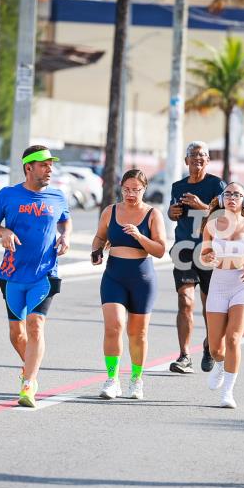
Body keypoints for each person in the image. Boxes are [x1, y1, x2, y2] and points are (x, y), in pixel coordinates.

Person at [0, 145, 71, 408]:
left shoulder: (58, 196)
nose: (49, 169)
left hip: (44, 273)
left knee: (35, 324)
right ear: (29, 167)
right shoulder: (8, 195)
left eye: (51, 165)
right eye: (44, 165)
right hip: (12, 273)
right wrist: (4, 232)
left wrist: (65, 236)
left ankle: (28, 384)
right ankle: (30, 369)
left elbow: (65, 220)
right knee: (16, 333)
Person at [91, 169, 167, 400]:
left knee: (138, 333)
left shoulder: (153, 214)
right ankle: (112, 379)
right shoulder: (110, 211)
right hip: (114, 275)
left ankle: (136, 379)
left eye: (136, 189)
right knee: (113, 326)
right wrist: (96, 250)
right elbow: (100, 236)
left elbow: (160, 250)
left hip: (141, 278)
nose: (131, 194)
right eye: (126, 189)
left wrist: (139, 236)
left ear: (144, 189)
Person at [200, 182, 244, 408]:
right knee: (215, 348)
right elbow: (204, 254)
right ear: (221, 198)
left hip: (242, 286)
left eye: (237, 195)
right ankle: (220, 364)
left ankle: (228, 392)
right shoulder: (211, 226)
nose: (232, 198)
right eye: (228, 194)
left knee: (233, 338)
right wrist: (207, 258)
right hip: (218, 285)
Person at [167, 141, 226, 374]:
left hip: (210, 252)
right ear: (186, 161)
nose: (197, 158)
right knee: (185, 300)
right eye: (193, 155)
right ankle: (184, 356)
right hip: (183, 251)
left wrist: (201, 206)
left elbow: (225, 219)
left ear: (208, 160)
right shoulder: (177, 186)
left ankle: (209, 345)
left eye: (202, 155)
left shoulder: (217, 184)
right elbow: (173, 212)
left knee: (210, 307)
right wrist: (172, 213)